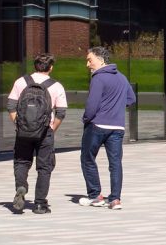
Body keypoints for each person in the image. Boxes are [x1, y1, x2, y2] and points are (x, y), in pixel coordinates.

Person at [7, 50, 66, 214]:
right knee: (44, 167)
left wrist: (20, 124)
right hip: (45, 131)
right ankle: (40, 204)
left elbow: (11, 106)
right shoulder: (56, 86)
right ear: (51, 67)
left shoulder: (21, 82)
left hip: (23, 131)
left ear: (35, 66)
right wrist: (52, 128)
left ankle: (21, 186)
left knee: (21, 161)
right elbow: (61, 112)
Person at [77, 48, 136, 208]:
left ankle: (95, 195)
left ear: (101, 60)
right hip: (117, 127)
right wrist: (115, 108)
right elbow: (131, 98)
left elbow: (92, 105)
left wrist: (86, 119)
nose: (87, 64)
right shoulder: (122, 77)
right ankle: (115, 199)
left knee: (87, 158)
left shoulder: (98, 78)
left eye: (90, 60)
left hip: (97, 125)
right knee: (115, 163)